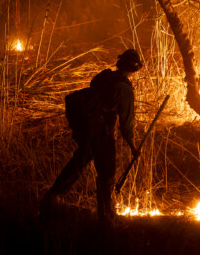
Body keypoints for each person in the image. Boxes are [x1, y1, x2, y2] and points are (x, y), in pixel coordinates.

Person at [40, 49, 142, 224]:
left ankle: (52, 198)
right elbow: (127, 123)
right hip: (101, 133)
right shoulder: (124, 89)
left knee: (78, 162)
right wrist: (133, 146)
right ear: (135, 69)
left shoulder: (105, 77)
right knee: (106, 173)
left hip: (86, 129)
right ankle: (106, 214)